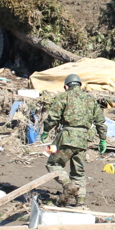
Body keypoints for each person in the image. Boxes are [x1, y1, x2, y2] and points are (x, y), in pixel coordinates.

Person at [42, 74, 107, 206]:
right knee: (78, 171)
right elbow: (100, 121)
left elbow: (53, 117)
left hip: (66, 136)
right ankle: (80, 201)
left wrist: (45, 130)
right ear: (80, 85)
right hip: (83, 139)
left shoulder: (64, 96)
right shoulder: (90, 99)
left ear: (66, 86)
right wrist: (102, 140)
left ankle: (67, 184)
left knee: (53, 163)